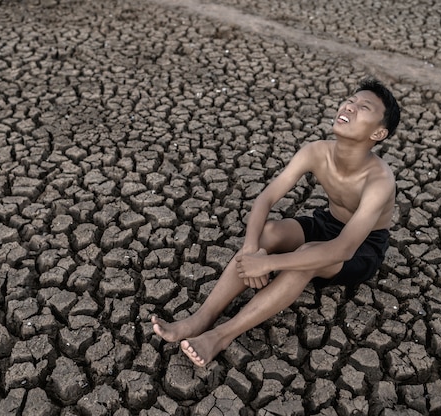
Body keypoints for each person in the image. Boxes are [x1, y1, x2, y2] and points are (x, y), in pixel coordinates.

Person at [151, 77, 401, 367]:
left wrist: (269, 264)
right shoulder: (316, 152)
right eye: (351, 100)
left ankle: (220, 336)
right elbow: (266, 199)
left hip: (362, 248)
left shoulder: (379, 180)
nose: (350, 106)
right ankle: (200, 319)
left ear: (379, 133)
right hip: (328, 222)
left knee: (304, 259)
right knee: (268, 232)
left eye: (364, 107)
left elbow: (343, 249)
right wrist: (250, 250)